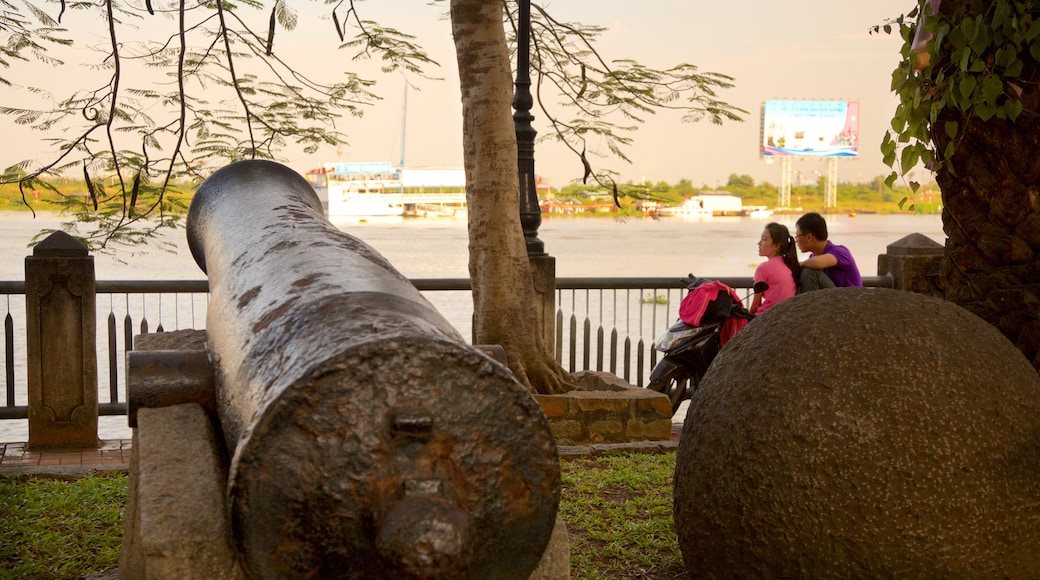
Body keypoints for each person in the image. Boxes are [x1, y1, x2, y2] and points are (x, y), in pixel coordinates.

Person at [794, 212, 862, 289]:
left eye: (797, 236)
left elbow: (817, 263)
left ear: (809, 237)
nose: (796, 241)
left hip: (850, 298)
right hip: (833, 297)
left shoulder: (840, 252)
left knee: (810, 273)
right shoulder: (812, 257)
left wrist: (799, 265)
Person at [750, 222, 800, 315]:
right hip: (786, 315)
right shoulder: (789, 265)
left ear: (777, 246)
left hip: (765, 316)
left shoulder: (764, 268)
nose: (759, 243)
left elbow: (755, 305)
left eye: (764, 239)